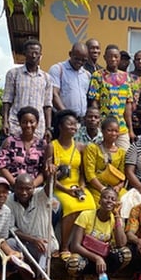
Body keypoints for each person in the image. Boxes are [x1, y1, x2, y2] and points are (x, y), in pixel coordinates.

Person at [46, 109, 96, 259]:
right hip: (59, 187)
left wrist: (82, 186)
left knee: (91, 205)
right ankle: (64, 246)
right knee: (71, 207)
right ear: (60, 126)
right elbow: (48, 175)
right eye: (70, 124)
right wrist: (67, 191)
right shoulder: (52, 146)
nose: (74, 127)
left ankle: (86, 245)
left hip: (77, 186)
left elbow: (82, 172)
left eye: (75, 125)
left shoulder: (80, 147)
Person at [66, 187, 131, 280]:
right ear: (100, 201)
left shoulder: (115, 218)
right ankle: (79, 279)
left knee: (125, 254)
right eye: (106, 198)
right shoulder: (86, 215)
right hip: (86, 256)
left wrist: (117, 216)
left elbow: (122, 243)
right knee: (74, 262)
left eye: (113, 199)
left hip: (104, 257)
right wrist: (97, 258)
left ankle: (107, 275)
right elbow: (75, 246)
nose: (109, 201)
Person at [6, 173, 59, 277]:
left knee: (44, 251)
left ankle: (39, 273)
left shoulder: (40, 195)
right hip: (26, 243)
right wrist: (33, 240)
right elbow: (12, 229)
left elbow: (50, 186)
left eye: (28, 189)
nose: (24, 192)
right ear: (14, 187)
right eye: (20, 188)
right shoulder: (9, 200)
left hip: (46, 243)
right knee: (9, 243)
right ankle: (27, 279)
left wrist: (51, 174)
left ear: (34, 188)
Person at [2, 39, 53, 140]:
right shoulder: (13, 74)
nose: (34, 56)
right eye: (31, 52)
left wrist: (48, 128)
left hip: (37, 128)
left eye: (37, 53)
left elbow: (47, 105)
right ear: (24, 53)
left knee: (35, 155)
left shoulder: (46, 78)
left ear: (40, 55)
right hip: (15, 125)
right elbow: (7, 100)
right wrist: (5, 122)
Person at [88, 44, 135, 149]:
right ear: (105, 57)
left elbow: (128, 106)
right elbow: (94, 101)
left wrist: (130, 129)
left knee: (124, 158)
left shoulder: (127, 78)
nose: (113, 59)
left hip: (121, 128)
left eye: (116, 56)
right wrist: (97, 124)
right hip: (103, 127)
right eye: (110, 56)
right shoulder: (97, 76)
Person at [0, 106, 47, 188]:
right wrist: (16, 185)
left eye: (32, 122)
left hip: (34, 187)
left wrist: (31, 186)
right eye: (24, 122)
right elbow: (2, 166)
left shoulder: (42, 144)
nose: (28, 125)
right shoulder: (10, 141)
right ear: (19, 123)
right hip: (12, 186)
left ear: (37, 123)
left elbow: (44, 170)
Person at [83, 116, 126, 204]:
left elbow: (123, 177)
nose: (113, 133)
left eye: (116, 131)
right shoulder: (92, 148)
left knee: (125, 202)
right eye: (109, 130)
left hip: (114, 189)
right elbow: (89, 174)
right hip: (96, 188)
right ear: (102, 131)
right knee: (101, 205)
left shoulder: (121, 152)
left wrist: (118, 187)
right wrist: (103, 189)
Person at [49, 42, 91, 121]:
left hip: (81, 121)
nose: (80, 62)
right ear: (70, 54)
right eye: (77, 59)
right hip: (63, 119)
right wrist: (66, 114)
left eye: (84, 60)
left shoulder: (87, 75)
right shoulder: (58, 69)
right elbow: (54, 94)